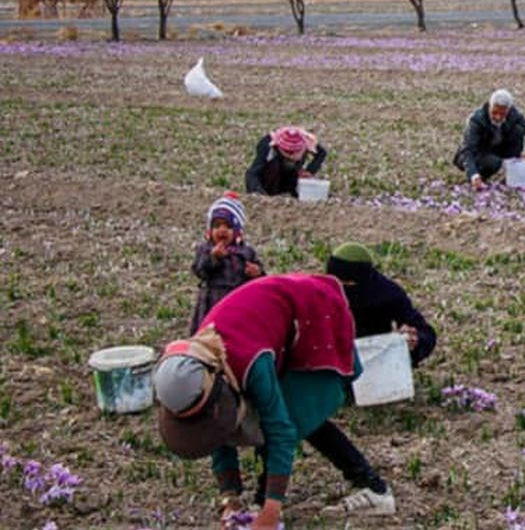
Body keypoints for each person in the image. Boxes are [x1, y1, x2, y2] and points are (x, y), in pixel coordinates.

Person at [153, 274, 395, 529]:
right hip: (270, 325)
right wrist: (230, 497)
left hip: (313, 314)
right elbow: (212, 429)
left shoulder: (250, 362)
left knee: (298, 413)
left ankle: (376, 490)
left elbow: (281, 429)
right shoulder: (198, 364)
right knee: (285, 413)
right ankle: (260, 500)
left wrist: (270, 508)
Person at [325, 242, 437, 366]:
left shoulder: (387, 294)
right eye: (335, 282)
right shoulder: (320, 292)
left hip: (375, 361)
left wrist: (415, 341)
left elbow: (425, 332)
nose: (341, 289)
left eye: (347, 284)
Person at [190, 192, 264, 334]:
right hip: (212, 302)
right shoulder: (206, 250)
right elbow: (199, 271)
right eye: (217, 226)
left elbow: (260, 278)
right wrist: (214, 258)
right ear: (209, 231)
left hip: (237, 303)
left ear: (237, 232)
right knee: (209, 336)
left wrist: (257, 273)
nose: (222, 230)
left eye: (228, 226)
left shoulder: (246, 252)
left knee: (234, 334)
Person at [453, 89, 525, 191]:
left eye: (502, 114)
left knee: (518, 131)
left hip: (498, 148)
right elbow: (468, 150)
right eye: (494, 112)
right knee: (493, 162)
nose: (498, 117)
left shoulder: (513, 114)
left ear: (508, 110)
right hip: (478, 153)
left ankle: (511, 170)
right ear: (490, 106)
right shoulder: (477, 120)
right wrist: (473, 174)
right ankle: (480, 177)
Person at [245, 126, 327, 198]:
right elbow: (252, 173)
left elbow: (321, 153)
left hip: (294, 170)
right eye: (289, 152)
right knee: (274, 167)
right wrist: (259, 194)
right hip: (272, 175)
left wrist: (309, 171)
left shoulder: (307, 141)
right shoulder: (268, 145)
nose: (292, 155)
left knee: (292, 171)